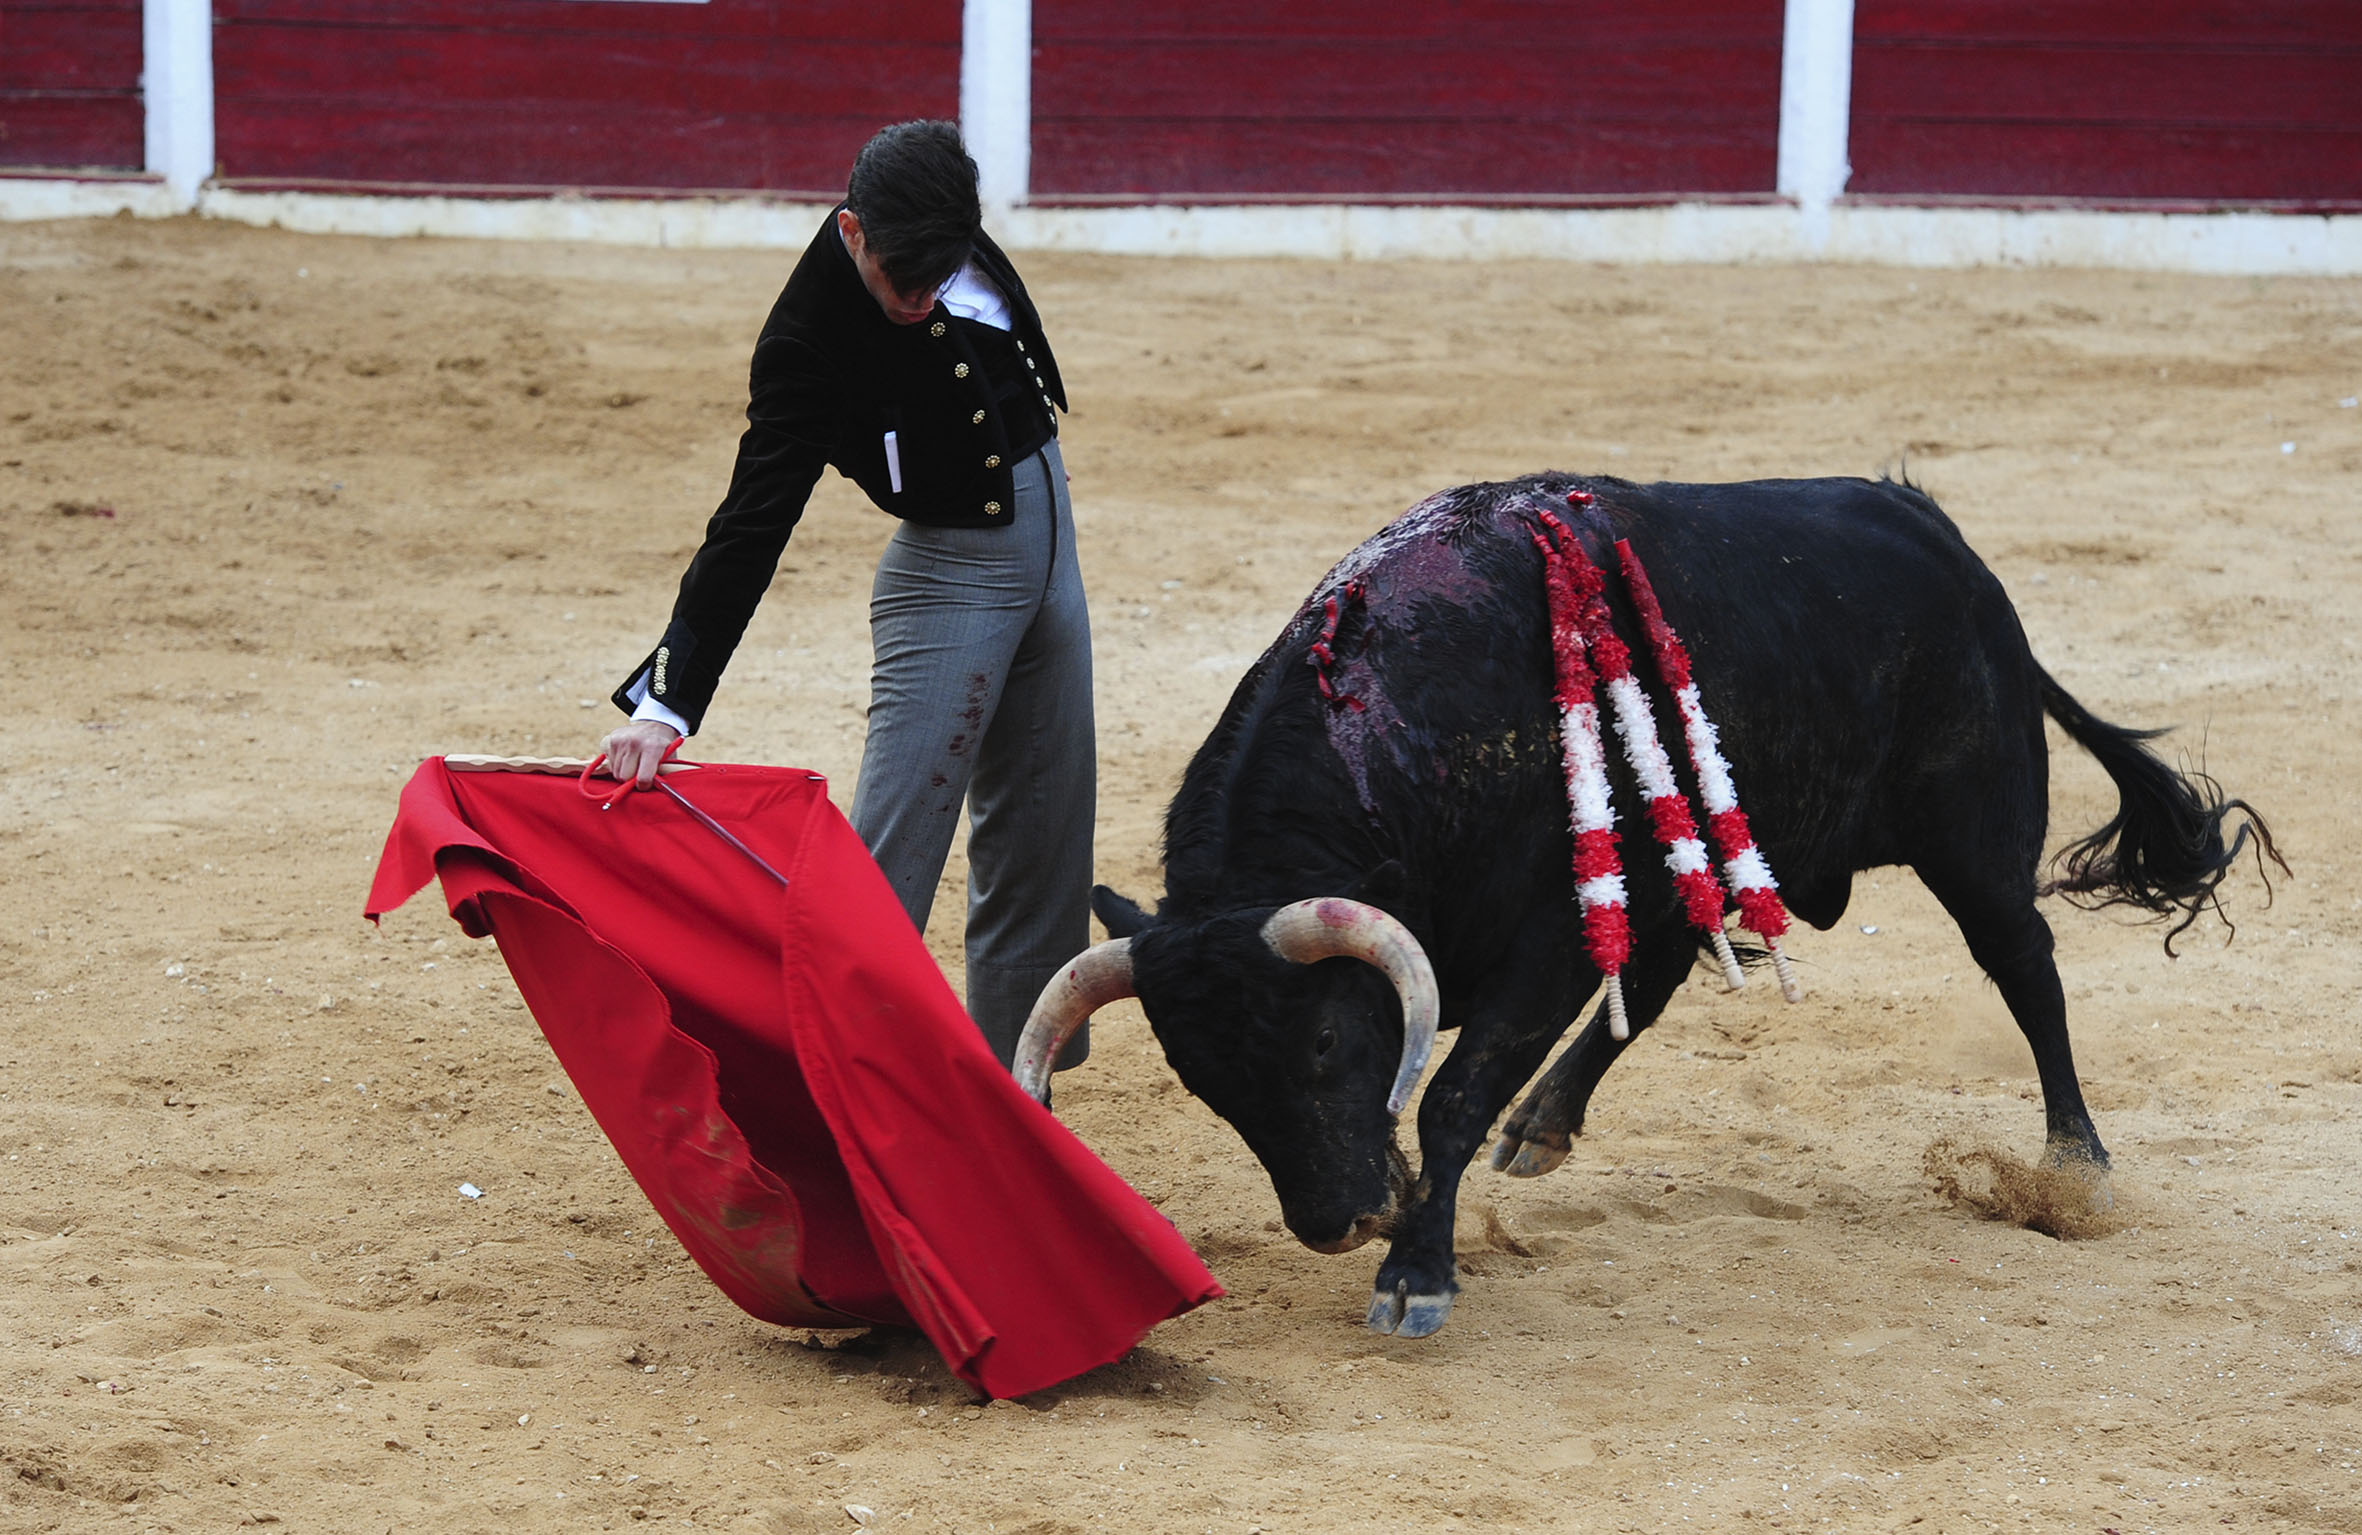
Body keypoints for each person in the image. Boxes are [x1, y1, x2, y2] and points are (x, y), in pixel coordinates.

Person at [599, 120, 1091, 1070]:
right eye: (899, 281)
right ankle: (818, 1095)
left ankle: (1013, 1108)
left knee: (1043, 852)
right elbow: (751, 521)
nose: (918, 300)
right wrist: (667, 703)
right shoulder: (808, 340)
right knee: (882, 878)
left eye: (937, 280)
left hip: (1050, 560)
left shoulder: (932, 208)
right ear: (853, 230)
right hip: (951, 583)